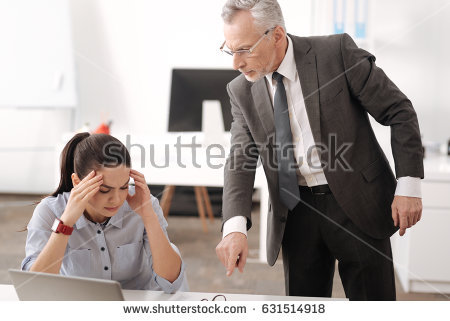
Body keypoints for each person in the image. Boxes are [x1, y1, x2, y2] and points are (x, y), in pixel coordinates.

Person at [215, 0, 423, 300]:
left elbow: (399, 111)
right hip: (296, 210)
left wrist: (409, 186)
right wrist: (234, 227)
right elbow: (240, 160)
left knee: (374, 306)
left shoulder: (335, 53)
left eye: (244, 49)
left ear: (276, 35)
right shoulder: (240, 90)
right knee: (305, 307)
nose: (236, 63)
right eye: (229, 49)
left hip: (357, 202)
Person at [21, 132, 185, 293]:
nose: (116, 199)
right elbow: (35, 287)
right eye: (105, 190)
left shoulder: (143, 203)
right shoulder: (50, 211)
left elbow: (171, 283)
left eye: (123, 187)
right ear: (77, 182)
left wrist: (148, 217)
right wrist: (66, 223)